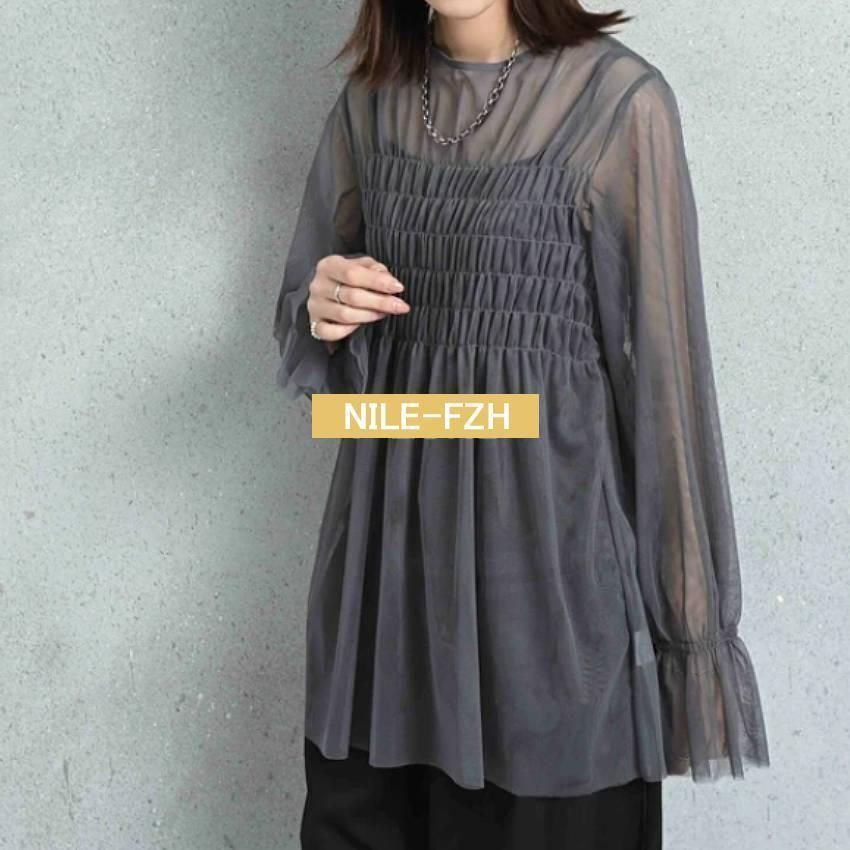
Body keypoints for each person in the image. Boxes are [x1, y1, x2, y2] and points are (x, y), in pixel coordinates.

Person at [272, 1, 772, 847]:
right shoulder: (370, 102)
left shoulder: (619, 103)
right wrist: (321, 306)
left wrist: (694, 636)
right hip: (384, 619)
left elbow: (669, 394)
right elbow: (321, 351)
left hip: (549, 634)